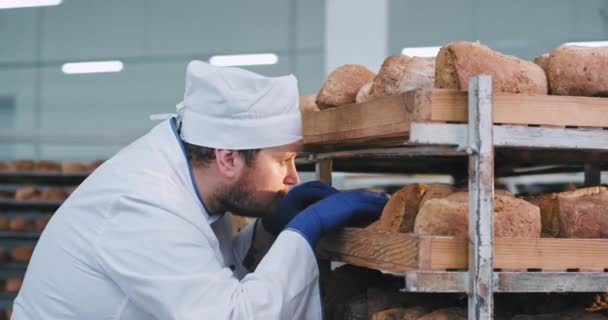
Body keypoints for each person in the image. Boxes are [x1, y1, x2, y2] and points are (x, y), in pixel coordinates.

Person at [12, 61, 387, 319]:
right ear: (227, 158)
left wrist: (267, 234)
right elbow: (231, 314)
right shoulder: (147, 204)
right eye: (281, 161)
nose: (292, 177)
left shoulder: (194, 183)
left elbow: (206, 269)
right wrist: (303, 232)